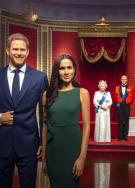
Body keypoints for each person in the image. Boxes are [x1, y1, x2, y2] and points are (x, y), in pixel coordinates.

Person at [0, 33, 48, 188]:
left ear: (28, 52)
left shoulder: (40, 78)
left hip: (30, 145)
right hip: (1, 144)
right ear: (7, 50)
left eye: (23, 50)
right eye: (15, 49)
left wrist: (43, 141)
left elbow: (44, 113)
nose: (19, 53)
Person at [42, 54, 90, 188]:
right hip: (53, 152)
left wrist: (82, 158)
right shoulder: (47, 95)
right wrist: (44, 159)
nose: (66, 72)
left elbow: (86, 127)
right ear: (57, 71)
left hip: (72, 149)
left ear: (74, 69)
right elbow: (45, 128)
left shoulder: (82, 93)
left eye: (69, 67)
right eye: (62, 68)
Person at [114, 75, 135, 141]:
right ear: (121, 80)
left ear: (127, 80)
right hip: (119, 106)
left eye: (125, 79)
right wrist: (118, 102)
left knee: (126, 121)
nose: (123, 80)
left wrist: (128, 102)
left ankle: (125, 136)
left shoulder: (130, 88)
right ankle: (120, 136)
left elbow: (132, 97)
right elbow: (115, 97)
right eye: (122, 79)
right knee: (120, 121)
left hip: (127, 106)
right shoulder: (117, 87)